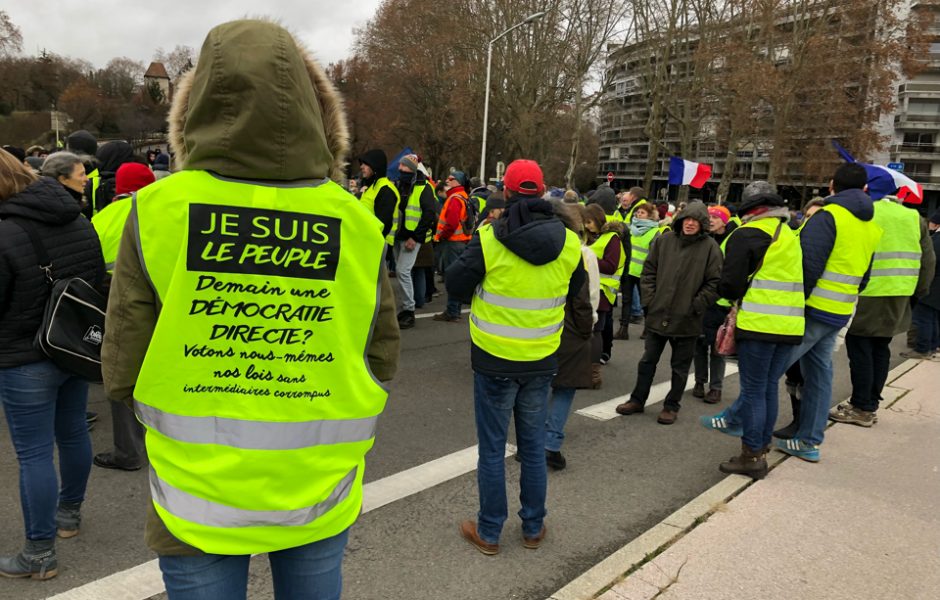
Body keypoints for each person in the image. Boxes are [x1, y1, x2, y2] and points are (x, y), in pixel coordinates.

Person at [100, 20, 400, 599]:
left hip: (196, 490)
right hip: (317, 484)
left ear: (196, 108)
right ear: (319, 112)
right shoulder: (355, 219)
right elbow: (381, 354)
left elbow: (122, 362)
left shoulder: (158, 209)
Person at [446, 159, 584, 555]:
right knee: (533, 447)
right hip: (541, 358)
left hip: (494, 360)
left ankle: (489, 532)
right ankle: (533, 528)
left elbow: (455, 285)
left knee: (491, 450)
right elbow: (574, 291)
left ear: (505, 192)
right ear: (542, 192)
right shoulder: (571, 241)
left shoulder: (490, 237)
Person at [0, 148, 105, 579]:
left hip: (23, 357)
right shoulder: (77, 218)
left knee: (35, 453)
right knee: (73, 432)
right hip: (70, 346)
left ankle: (39, 553)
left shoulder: (6, 232)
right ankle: (69, 515)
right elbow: (95, 280)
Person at [774, 165, 882, 462]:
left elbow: (808, 267)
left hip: (812, 308)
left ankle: (745, 429)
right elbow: (864, 278)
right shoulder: (869, 224)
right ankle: (808, 441)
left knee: (768, 369)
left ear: (832, 185)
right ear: (863, 189)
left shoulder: (828, 216)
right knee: (820, 375)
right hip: (839, 309)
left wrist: (793, 305)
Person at [704, 188, 805, 479]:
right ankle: (762, 446)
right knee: (768, 387)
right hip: (791, 325)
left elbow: (731, 284)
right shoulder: (788, 233)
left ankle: (752, 455)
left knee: (753, 391)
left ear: (750, 209)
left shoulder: (745, 235)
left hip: (759, 324)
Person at [828, 193, 935, 426]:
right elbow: (928, 261)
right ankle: (870, 402)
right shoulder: (913, 217)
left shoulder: (868, 213)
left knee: (860, 348)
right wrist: (918, 292)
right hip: (899, 292)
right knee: (880, 348)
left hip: (868, 292)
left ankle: (862, 406)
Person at [615, 201, 722, 424]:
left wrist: (695, 306)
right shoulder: (664, 241)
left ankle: (671, 406)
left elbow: (715, 283)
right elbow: (648, 272)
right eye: (686, 219)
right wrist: (650, 302)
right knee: (647, 362)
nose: (690, 224)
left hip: (688, 319)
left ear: (702, 224)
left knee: (680, 367)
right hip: (658, 313)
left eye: (695, 221)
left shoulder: (711, 248)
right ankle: (637, 399)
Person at [89, 163, 157, 473]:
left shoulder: (101, 218)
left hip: (110, 300)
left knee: (121, 367)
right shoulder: (159, 210)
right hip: (161, 298)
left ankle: (128, 451)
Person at [544, 201, 597, 470]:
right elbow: (585, 298)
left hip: (536, 325)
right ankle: (551, 443)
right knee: (564, 389)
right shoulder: (578, 252)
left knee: (538, 388)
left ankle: (531, 442)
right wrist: (588, 330)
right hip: (570, 329)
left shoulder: (531, 246)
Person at [691, 205, 739, 403]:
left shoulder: (733, 241)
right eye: (709, 216)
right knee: (698, 343)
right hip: (701, 298)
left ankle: (716, 387)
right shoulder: (702, 239)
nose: (711, 220)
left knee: (718, 346)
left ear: (725, 221)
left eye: (716, 217)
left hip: (721, 302)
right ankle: (699, 382)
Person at [393, 154, 437, 329]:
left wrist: (416, 237)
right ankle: (406, 308)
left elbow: (428, 215)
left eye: (403, 167)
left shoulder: (424, 188)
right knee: (401, 272)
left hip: (412, 238)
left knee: (403, 272)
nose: (400, 169)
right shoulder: (401, 185)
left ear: (411, 169)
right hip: (399, 236)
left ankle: (409, 310)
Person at [584, 204, 625, 385]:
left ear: (599, 219)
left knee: (596, 332)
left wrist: (587, 259)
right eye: (585, 222)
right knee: (587, 331)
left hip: (602, 292)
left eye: (590, 222)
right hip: (588, 289)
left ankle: (594, 375)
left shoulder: (612, 238)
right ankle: (584, 369)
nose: (587, 226)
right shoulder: (593, 237)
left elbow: (611, 265)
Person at [614, 200, 658, 340]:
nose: (639, 214)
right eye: (638, 212)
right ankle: (623, 329)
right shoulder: (629, 229)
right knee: (626, 301)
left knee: (645, 302)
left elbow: (654, 254)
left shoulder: (655, 232)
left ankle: (647, 329)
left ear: (650, 216)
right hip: (628, 270)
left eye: (642, 212)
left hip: (644, 273)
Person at [434, 171, 472, 322]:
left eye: (451, 178)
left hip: (452, 242)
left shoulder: (454, 198)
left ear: (458, 182)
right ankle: (454, 309)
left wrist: (442, 236)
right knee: (457, 276)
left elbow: (451, 223)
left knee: (451, 277)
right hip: (461, 241)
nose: (447, 180)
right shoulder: (463, 196)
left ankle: (452, 311)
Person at [908, 210, 940, 358]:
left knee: (922, 317)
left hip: (933, 285)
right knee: (932, 318)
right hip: (936, 288)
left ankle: (922, 349)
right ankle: (933, 346)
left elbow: (929, 260)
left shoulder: (937, 240)